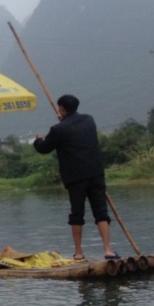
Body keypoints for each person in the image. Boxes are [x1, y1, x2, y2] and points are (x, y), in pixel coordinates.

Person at [33, 94, 117, 261]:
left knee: (77, 213)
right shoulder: (89, 120)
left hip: (76, 178)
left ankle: (78, 253)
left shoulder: (59, 129)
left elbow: (43, 148)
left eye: (59, 108)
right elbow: (73, 128)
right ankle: (108, 250)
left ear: (62, 109)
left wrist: (38, 140)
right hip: (96, 174)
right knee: (101, 212)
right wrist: (63, 120)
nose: (58, 110)